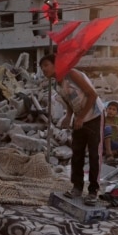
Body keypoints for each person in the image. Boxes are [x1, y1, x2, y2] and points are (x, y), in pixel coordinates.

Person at [39, 54, 104, 205]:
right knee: (77, 153)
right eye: (42, 67)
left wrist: (80, 117)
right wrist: (69, 116)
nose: (43, 69)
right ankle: (77, 187)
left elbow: (92, 94)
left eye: (46, 65)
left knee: (95, 155)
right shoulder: (57, 84)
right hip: (79, 119)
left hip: (94, 116)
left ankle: (93, 191)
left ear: (56, 64)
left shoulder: (72, 74)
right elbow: (69, 101)